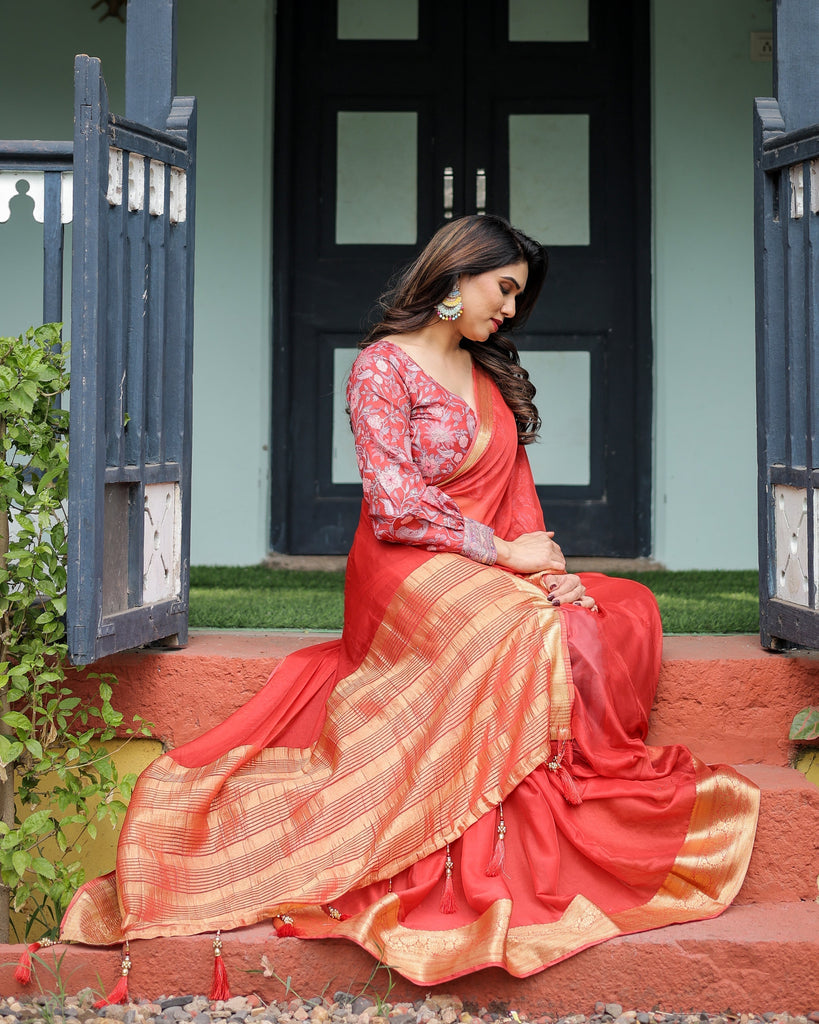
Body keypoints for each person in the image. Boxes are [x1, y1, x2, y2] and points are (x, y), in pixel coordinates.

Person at [60, 216, 759, 987]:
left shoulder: (487, 376)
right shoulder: (380, 369)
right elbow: (393, 505)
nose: (511, 310)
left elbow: (515, 502)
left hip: (478, 562)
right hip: (401, 569)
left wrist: (544, 567)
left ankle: (563, 795)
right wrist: (506, 559)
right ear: (458, 275)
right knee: (523, 632)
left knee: (607, 608)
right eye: (504, 289)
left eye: (519, 297)